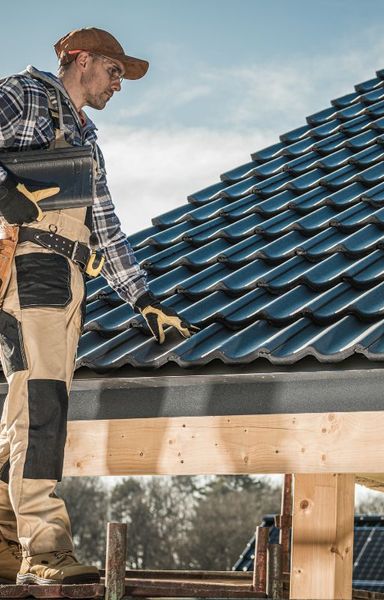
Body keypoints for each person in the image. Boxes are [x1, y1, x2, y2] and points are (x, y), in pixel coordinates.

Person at [0, 27, 195, 585]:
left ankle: (5, 544)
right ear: (79, 60)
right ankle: (44, 552)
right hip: (30, 267)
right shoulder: (28, 94)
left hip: (65, 277)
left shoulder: (87, 142)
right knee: (42, 406)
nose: (119, 83)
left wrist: (145, 300)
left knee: (27, 410)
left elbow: (107, 233)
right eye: (114, 70)